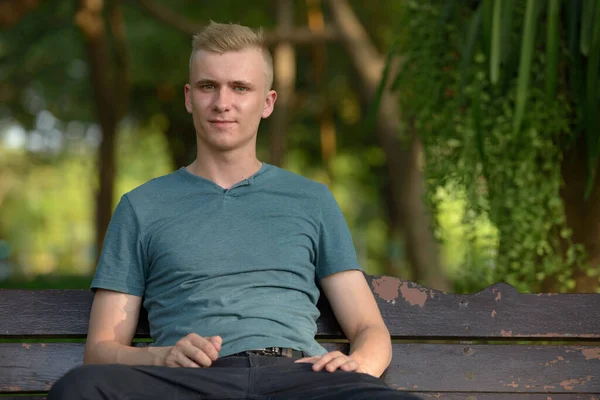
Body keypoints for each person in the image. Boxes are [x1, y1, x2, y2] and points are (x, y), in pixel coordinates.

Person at [48, 22, 421, 400]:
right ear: (189, 97)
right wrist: (162, 357)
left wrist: (359, 367)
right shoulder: (141, 207)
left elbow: (369, 328)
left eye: (240, 88)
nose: (222, 102)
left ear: (268, 102)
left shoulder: (312, 200)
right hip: (192, 381)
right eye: (209, 86)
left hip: (298, 378)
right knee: (79, 389)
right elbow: (100, 351)